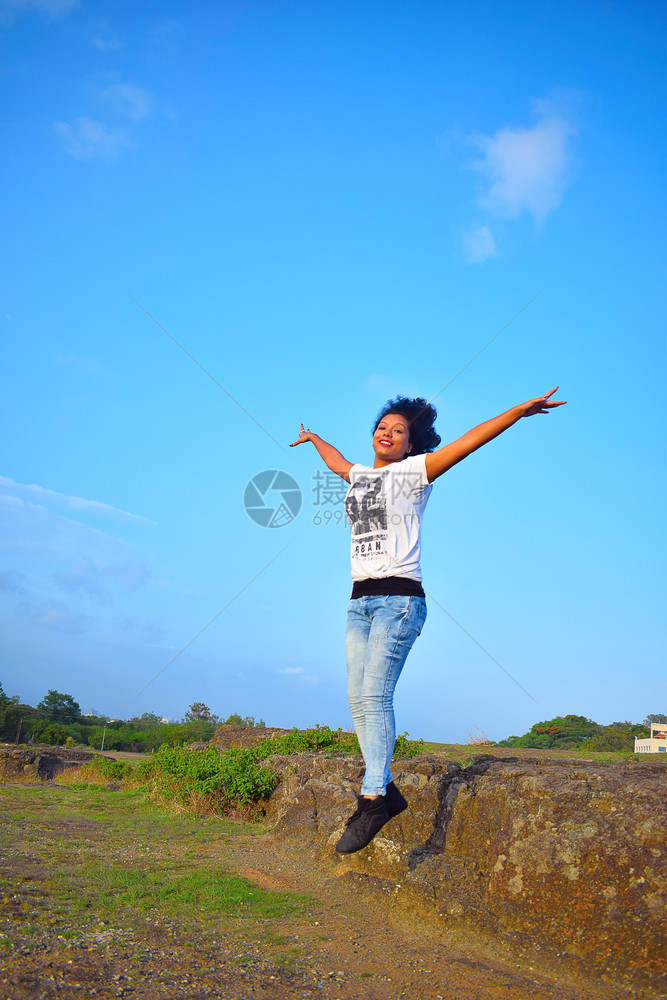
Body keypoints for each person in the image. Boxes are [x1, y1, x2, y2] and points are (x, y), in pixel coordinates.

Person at [290, 387, 566, 853]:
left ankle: (374, 796)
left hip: (399, 601)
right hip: (358, 602)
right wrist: (315, 437)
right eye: (382, 426)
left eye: (399, 430)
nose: (387, 432)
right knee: (358, 699)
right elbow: (337, 462)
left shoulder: (415, 474)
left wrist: (517, 412)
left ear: (411, 445)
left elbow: (470, 441)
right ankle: (387, 790)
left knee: (375, 696)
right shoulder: (359, 477)